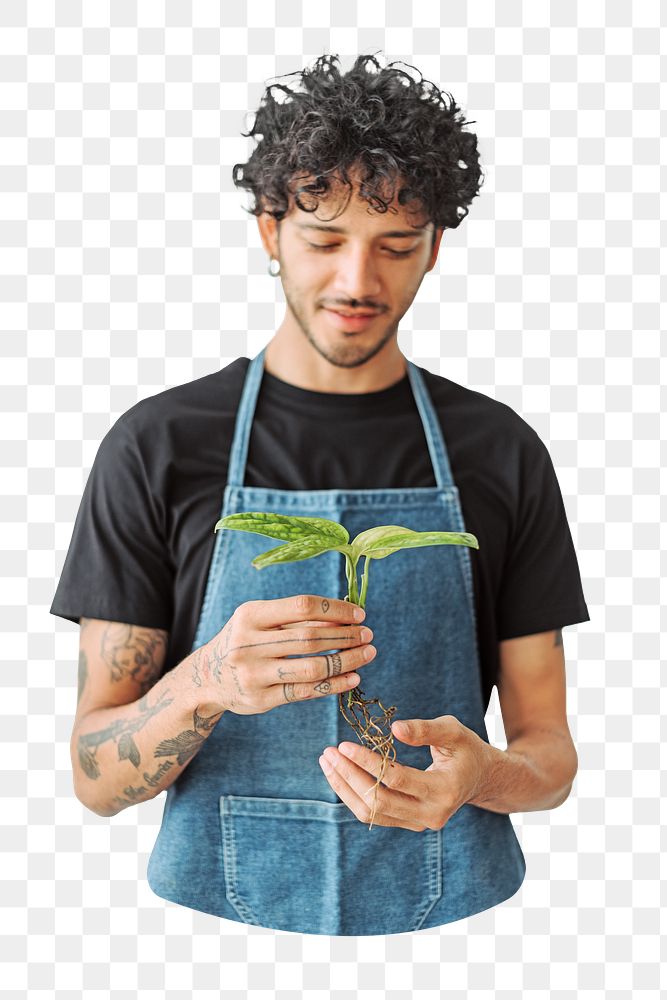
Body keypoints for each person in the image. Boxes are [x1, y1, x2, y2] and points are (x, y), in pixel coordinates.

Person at [50, 53, 590, 935]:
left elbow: (550, 757)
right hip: (213, 941)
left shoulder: (500, 450)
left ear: (436, 248)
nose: (356, 283)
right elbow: (94, 779)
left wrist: (481, 776)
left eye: (393, 246)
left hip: (460, 936)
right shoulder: (157, 446)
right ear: (269, 230)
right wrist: (207, 679)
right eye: (323, 240)